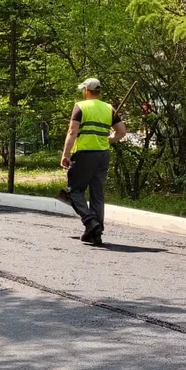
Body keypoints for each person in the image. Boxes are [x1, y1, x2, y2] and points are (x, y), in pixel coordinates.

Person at [59, 78, 126, 245]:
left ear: (86, 91)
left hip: (84, 154)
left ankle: (90, 222)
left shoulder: (81, 106)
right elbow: (121, 132)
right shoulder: (109, 108)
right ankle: (96, 233)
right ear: (99, 91)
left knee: (74, 191)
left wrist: (65, 154)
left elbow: (72, 132)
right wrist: (107, 140)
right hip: (103, 155)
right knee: (97, 193)